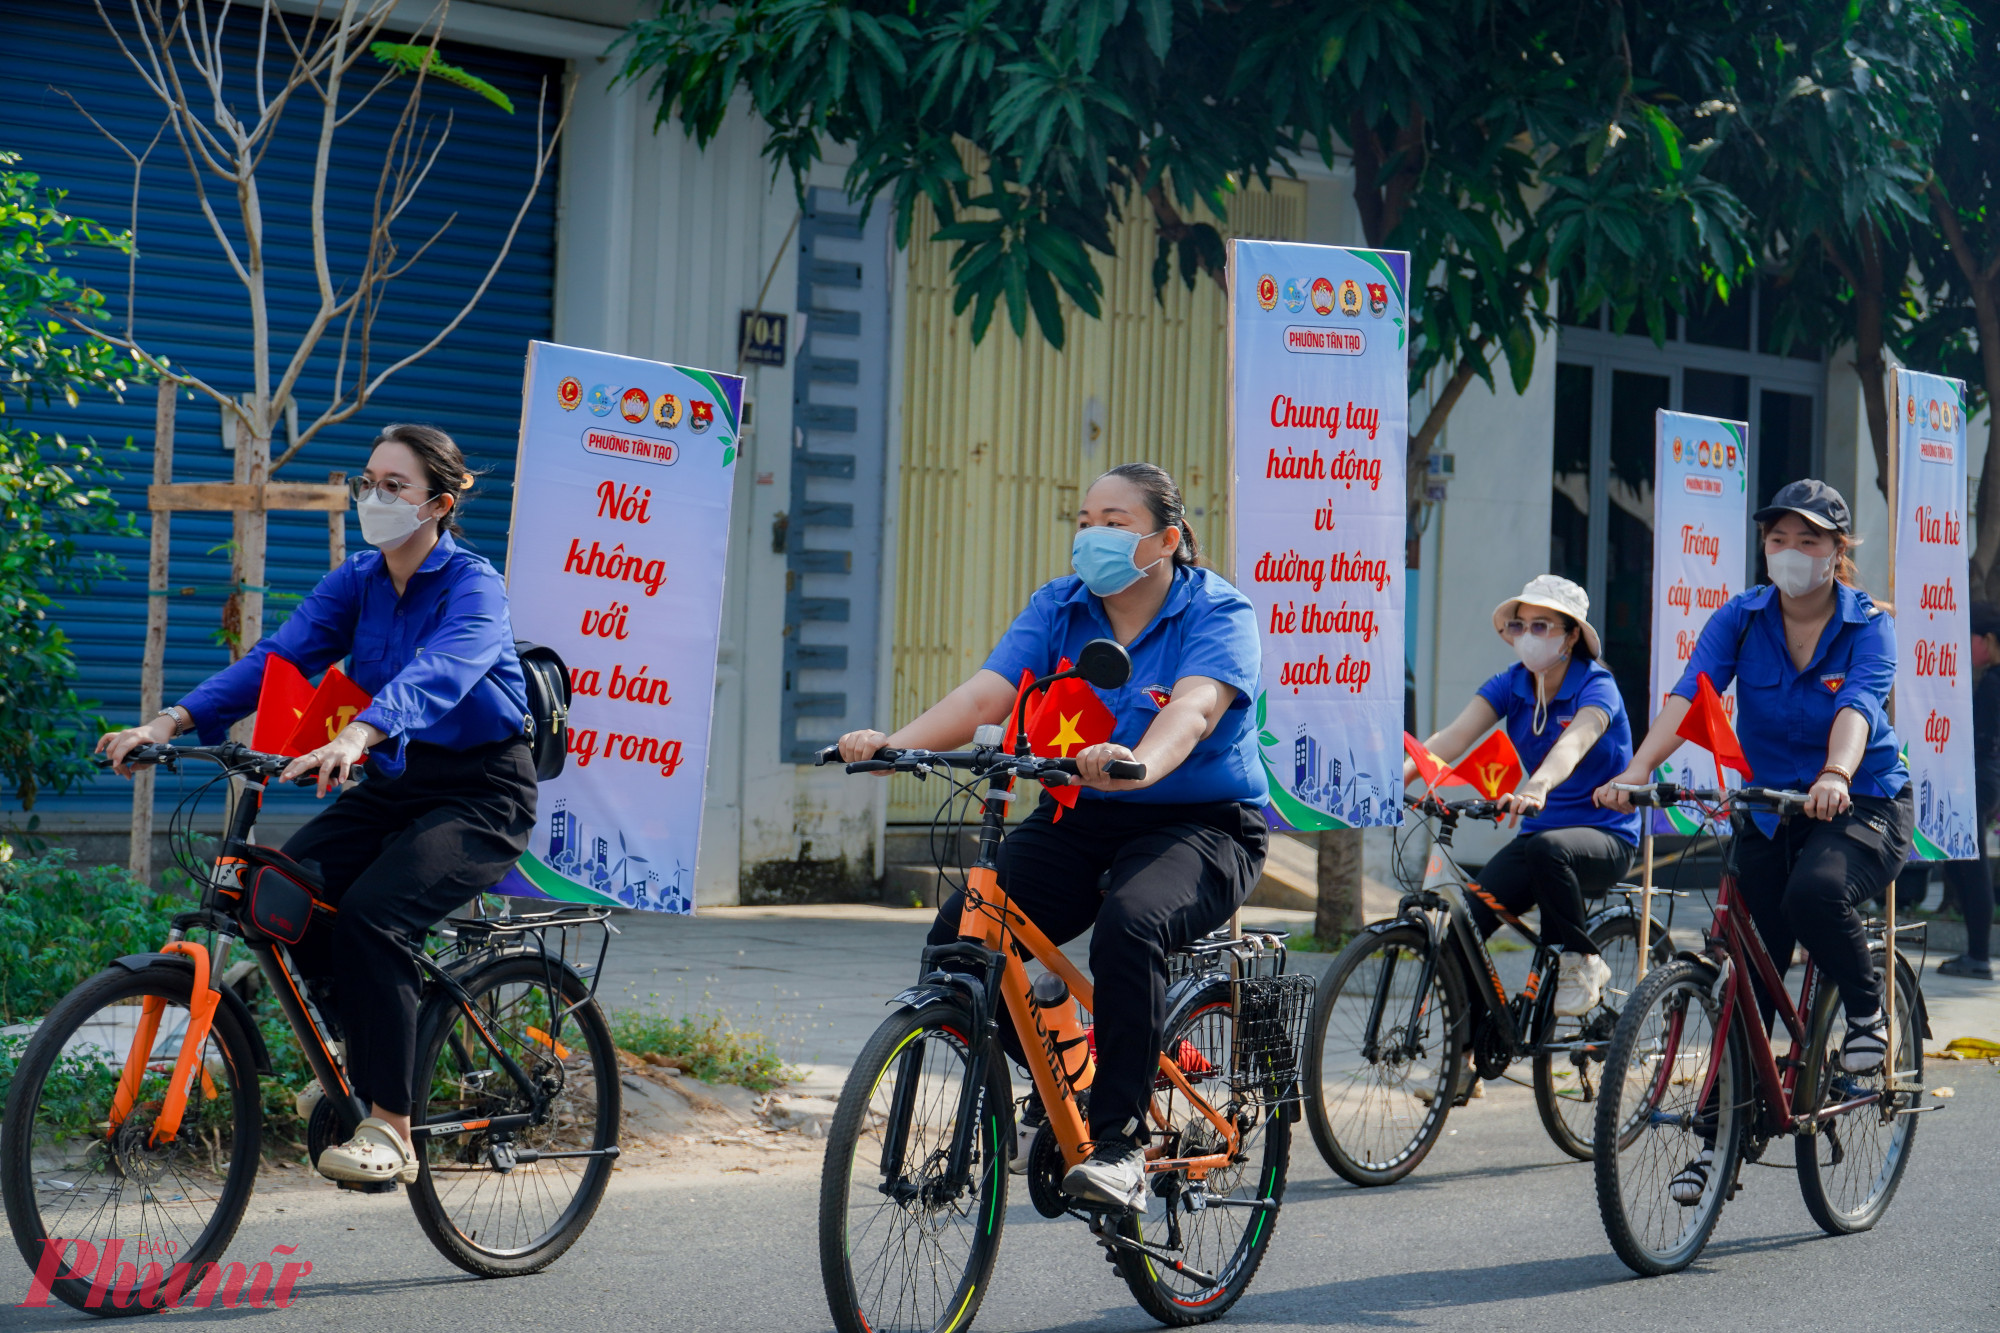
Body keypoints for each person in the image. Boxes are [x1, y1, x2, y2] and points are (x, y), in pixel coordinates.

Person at [98, 424, 537, 1187]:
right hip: (398, 776)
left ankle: (393, 1127)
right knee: (283, 887)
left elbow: (442, 669)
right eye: (367, 481)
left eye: (393, 486)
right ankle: (362, 1055)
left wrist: (361, 731)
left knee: (375, 913)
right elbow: (278, 656)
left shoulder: (474, 583)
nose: (374, 497)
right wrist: (167, 722)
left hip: (482, 791)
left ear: (439, 501)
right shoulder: (359, 579)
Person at [836, 463, 1267, 1213]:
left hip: (1202, 824)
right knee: (960, 937)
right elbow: (987, 694)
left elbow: (1194, 708)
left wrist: (1139, 763)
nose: (1091, 535)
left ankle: (1122, 1146)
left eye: (1113, 521)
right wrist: (893, 749)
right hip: (1081, 814)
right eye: (1084, 519)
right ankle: (1069, 1065)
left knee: (1129, 928)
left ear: (1165, 539)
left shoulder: (1217, 610)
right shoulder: (1060, 605)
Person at [1595, 479, 1911, 1203]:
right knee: (1739, 968)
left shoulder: (1869, 624)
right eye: (1778, 538)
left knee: (1815, 893)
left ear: (1838, 550)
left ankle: (1866, 1013)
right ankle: (1719, 1142)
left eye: (1809, 540)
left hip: (1861, 802)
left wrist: (1835, 771)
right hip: (1770, 808)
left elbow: (1858, 707)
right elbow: (1692, 689)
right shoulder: (1740, 616)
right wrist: (1636, 770)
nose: (1791, 552)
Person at [1409, 575, 1641, 1018]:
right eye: (1520, 625)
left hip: (1604, 837)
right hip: (1538, 839)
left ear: (1572, 635)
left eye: (1542, 626)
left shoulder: (1597, 686)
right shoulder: (1510, 684)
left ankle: (1583, 959)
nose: (1527, 637)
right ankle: (1468, 1057)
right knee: (1462, 931)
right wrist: (1399, 777)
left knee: (1548, 850)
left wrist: (1537, 786)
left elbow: (1570, 746)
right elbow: (1453, 739)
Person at [1931, 600, 2000, 977]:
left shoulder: (1992, 682)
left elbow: (1982, 739)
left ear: (1987, 640)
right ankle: (1975, 955)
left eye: (1970, 640)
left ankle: (1978, 957)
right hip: (1987, 778)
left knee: (1971, 866)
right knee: (1960, 863)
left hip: (1981, 777)